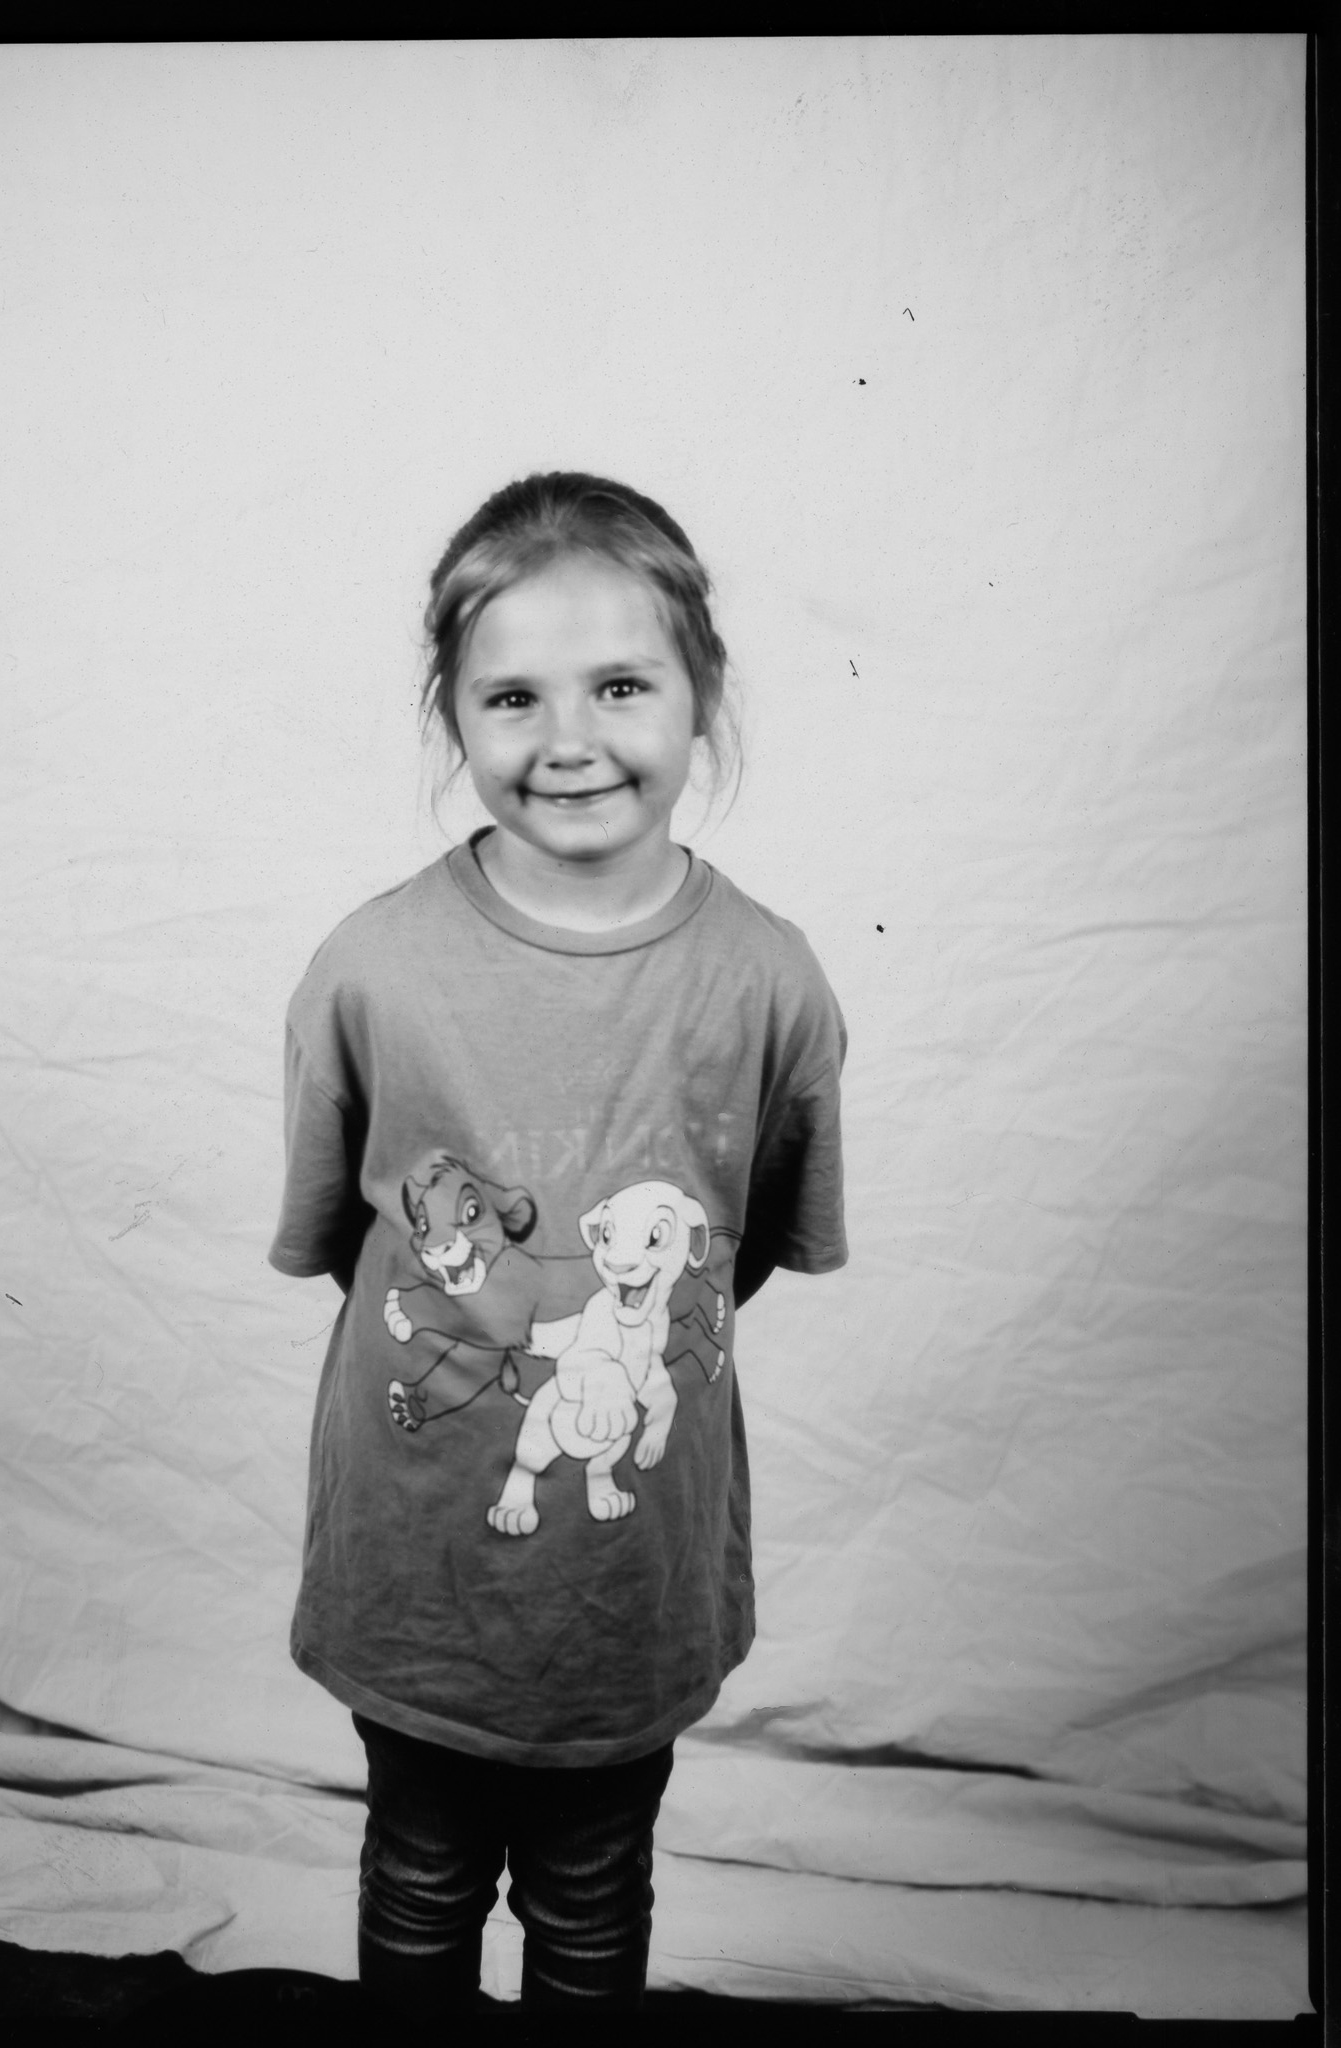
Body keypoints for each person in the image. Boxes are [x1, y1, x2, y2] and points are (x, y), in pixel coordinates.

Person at [268, 472, 848, 2015]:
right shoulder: (370, 970)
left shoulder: (772, 983)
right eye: (512, 693)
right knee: (419, 1872)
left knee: (593, 1896)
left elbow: (747, 1253)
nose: (568, 738)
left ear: (698, 697)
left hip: (623, 1595)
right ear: (449, 711)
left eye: (618, 685)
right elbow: (359, 1250)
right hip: (419, 1578)